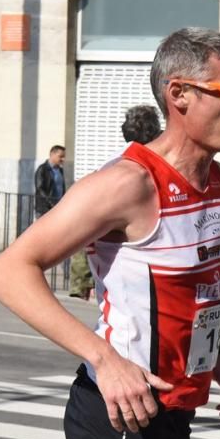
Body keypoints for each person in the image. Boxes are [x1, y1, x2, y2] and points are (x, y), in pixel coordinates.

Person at [0, 27, 220, 439]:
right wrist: (106, 361)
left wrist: (215, 360)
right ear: (179, 95)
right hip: (125, 417)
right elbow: (6, 274)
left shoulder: (215, 183)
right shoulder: (128, 185)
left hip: (170, 411)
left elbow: (198, 294)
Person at [68, 105, 162, 301]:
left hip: (122, 288)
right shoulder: (160, 165)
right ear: (155, 132)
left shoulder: (109, 167)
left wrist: (82, 280)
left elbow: (82, 231)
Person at [34, 145, 66, 218]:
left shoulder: (60, 170)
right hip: (44, 210)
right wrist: (51, 203)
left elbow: (62, 188)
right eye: (60, 156)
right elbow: (40, 189)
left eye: (64, 157)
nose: (63, 159)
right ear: (52, 154)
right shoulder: (42, 169)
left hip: (58, 208)